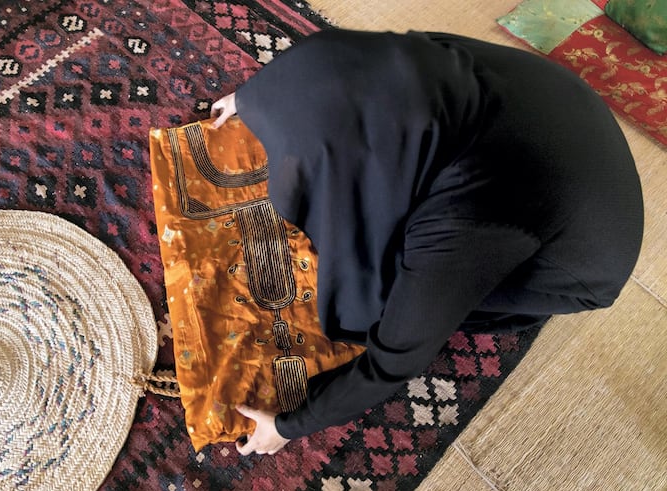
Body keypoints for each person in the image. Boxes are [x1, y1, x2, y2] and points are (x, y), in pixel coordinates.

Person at [209, 29, 644, 456]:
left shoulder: (466, 216)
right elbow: (323, 65)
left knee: (401, 285)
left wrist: (288, 425)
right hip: (558, 116)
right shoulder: (410, 62)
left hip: (585, 255)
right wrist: (256, 99)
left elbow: (394, 360)